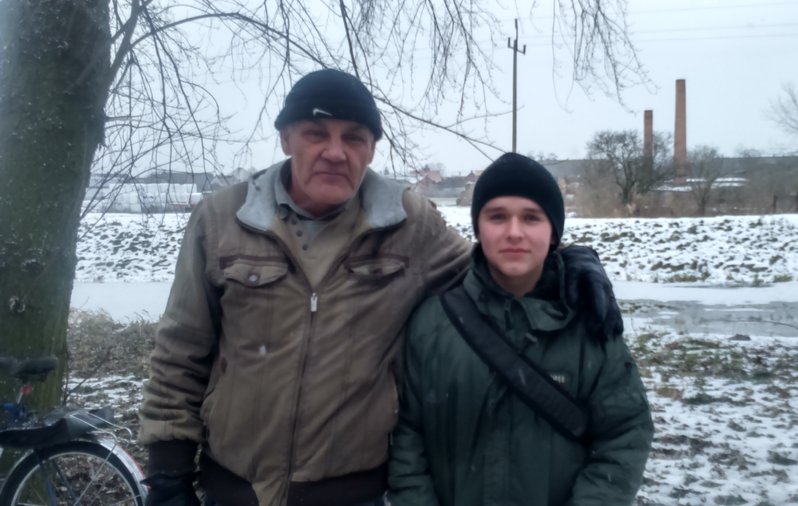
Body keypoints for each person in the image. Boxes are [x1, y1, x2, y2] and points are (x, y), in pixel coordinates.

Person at [139, 69, 623, 506]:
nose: (335, 152)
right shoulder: (223, 219)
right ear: (286, 138)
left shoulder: (408, 223)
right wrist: (168, 473)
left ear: (371, 149)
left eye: (354, 137)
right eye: (316, 133)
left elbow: (490, 271)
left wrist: (566, 265)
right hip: (236, 490)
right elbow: (182, 351)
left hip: (355, 493)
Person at [388, 153, 653, 505]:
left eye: (531, 217)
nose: (514, 232)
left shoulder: (589, 323)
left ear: (553, 231)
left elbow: (624, 435)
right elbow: (407, 440)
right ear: (478, 228)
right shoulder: (433, 323)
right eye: (497, 216)